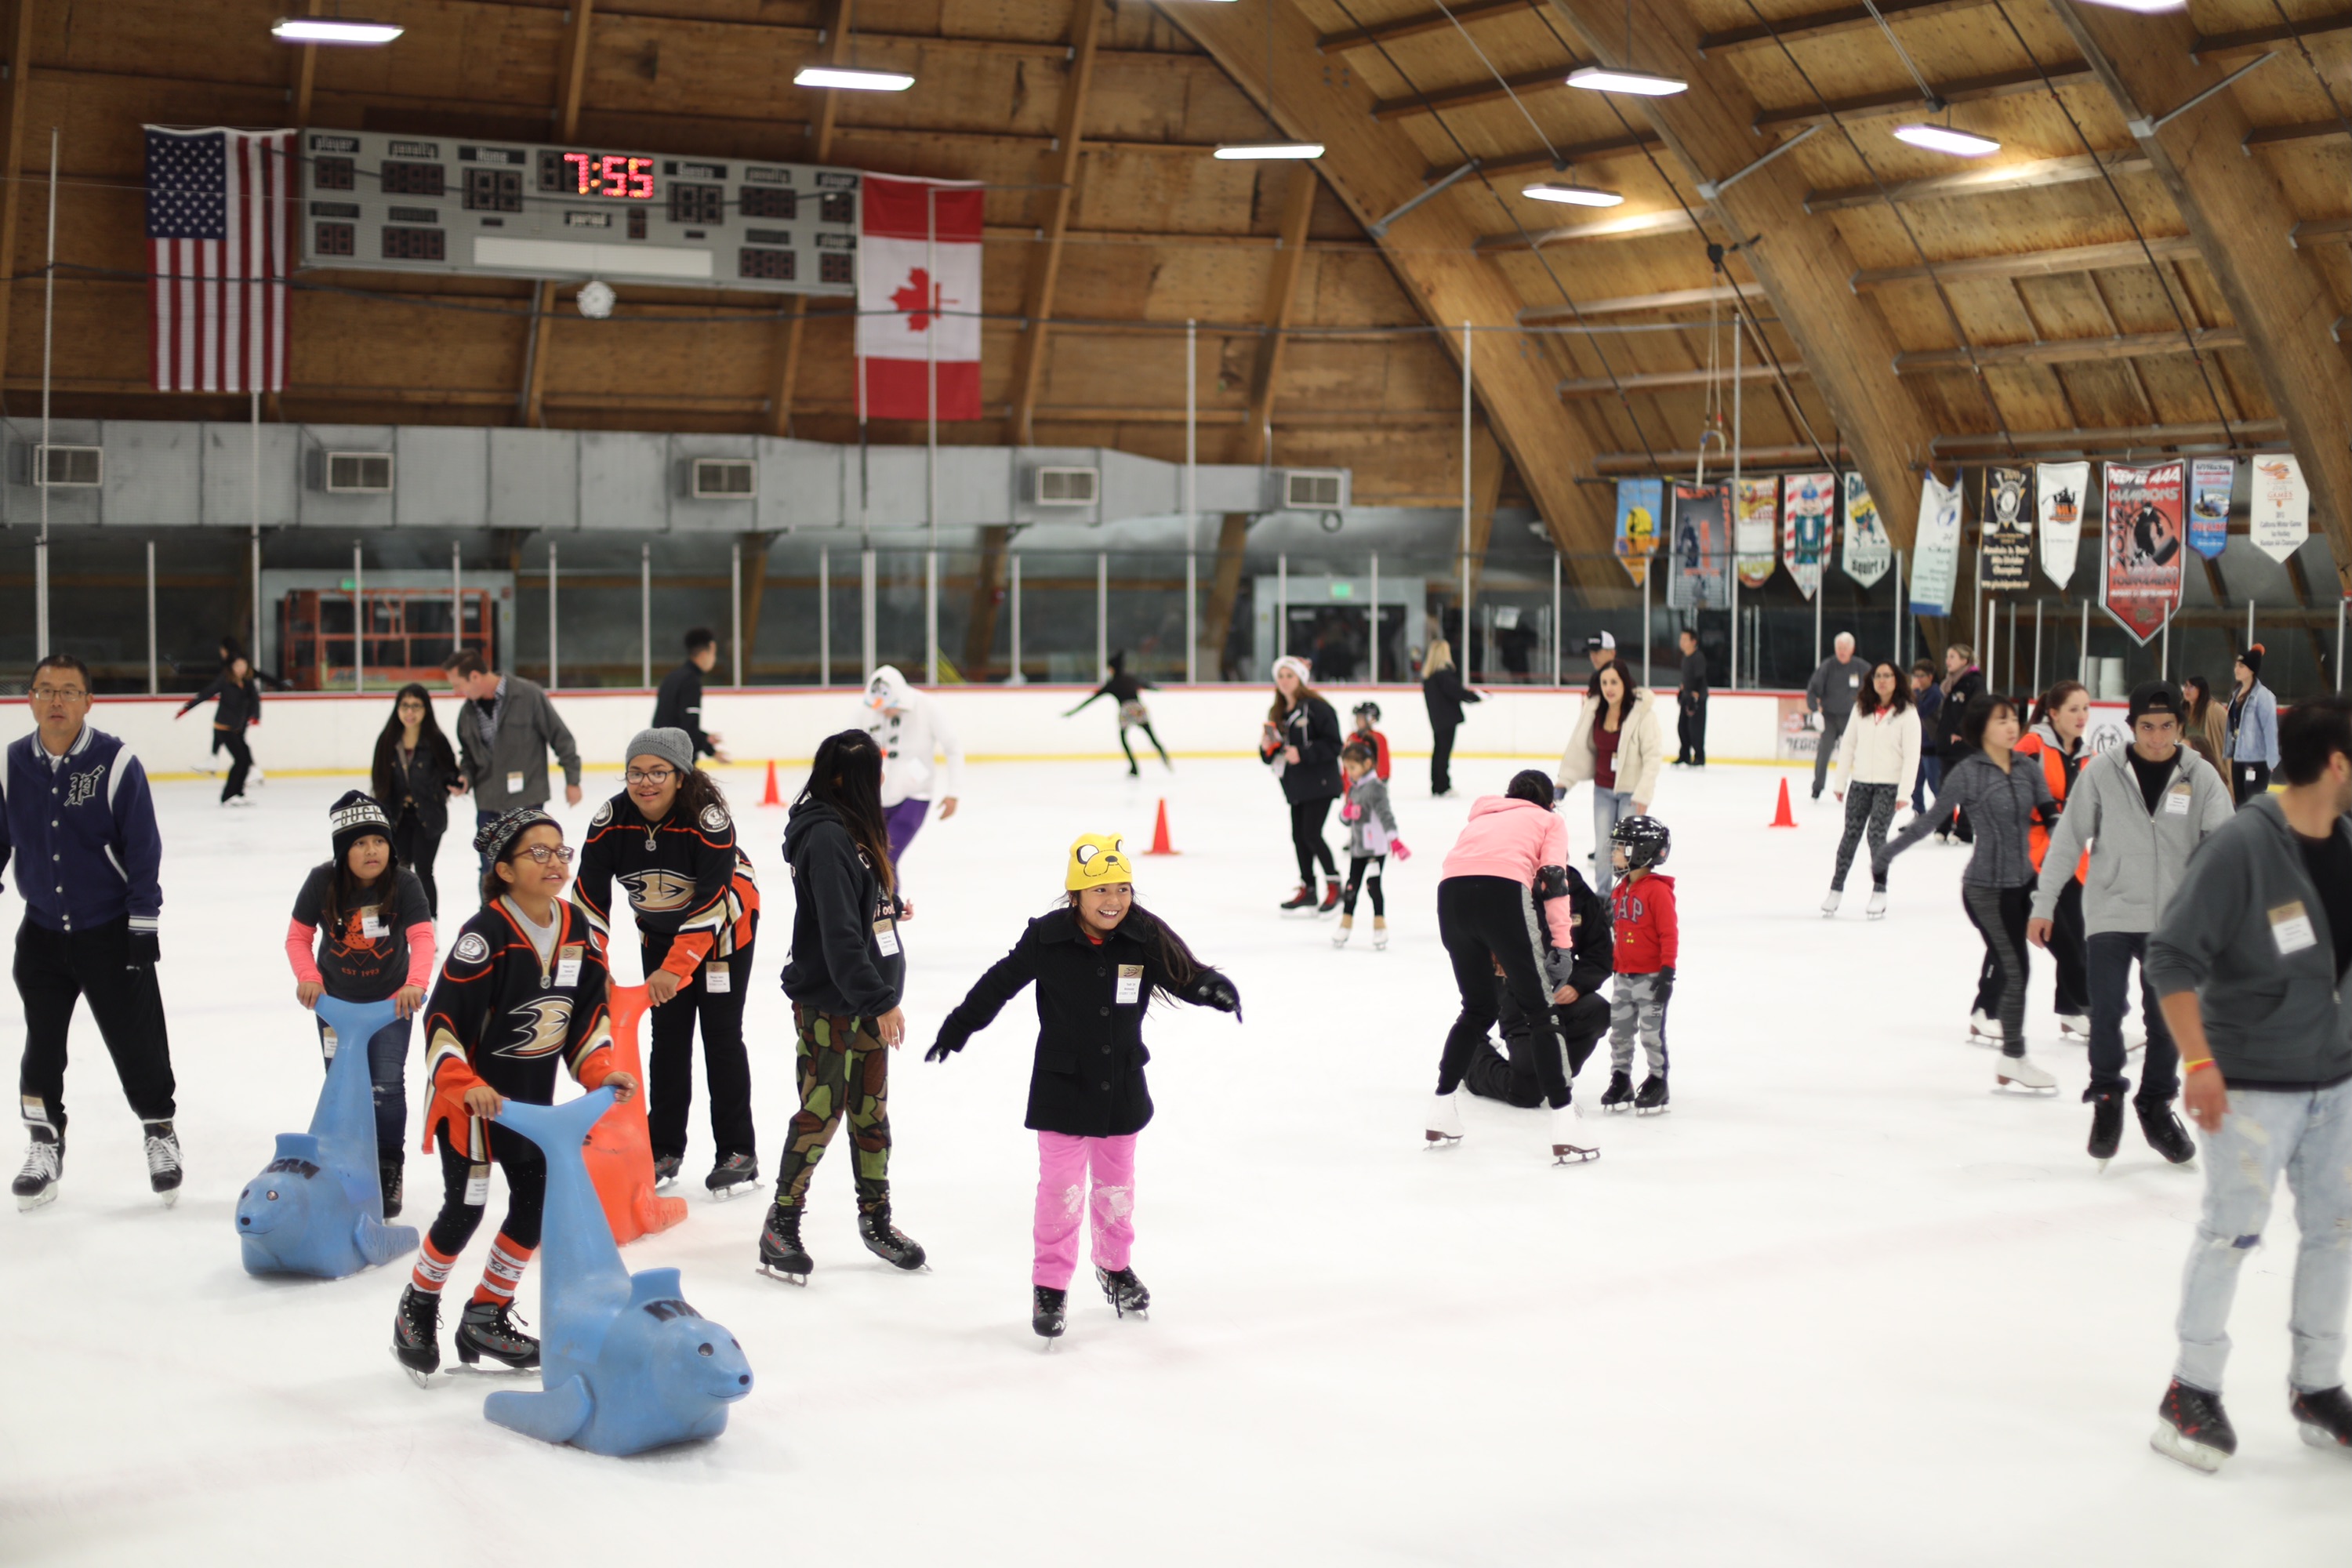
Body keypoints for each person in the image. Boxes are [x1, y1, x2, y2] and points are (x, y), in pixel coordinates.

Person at [2143, 698, 2352, 1471]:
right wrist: (2197, 1061)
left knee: (2337, 1231)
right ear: (2336, 762)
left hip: (2336, 1079)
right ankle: (2189, 1387)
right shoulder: (2241, 847)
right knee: (2232, 1231)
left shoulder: (2347, 844)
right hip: (2253, 1083)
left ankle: (2318, 1384)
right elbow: (2169, 956)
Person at [924, 833, 1240, 1339]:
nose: (1113, 902)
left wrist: (1211, 988)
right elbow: (1000, 983)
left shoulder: (1143, 935)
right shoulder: (1048, 939)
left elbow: (1184, 973)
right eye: (1100, 891)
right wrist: (959, 1027)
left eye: (1122, 889)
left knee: (1116, 1189)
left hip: (1121, 1086)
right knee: (1061, 1192)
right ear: (1076, 895)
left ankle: (1115, 1268)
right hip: (1062, 1088)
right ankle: (1050, 1287)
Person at [390, 808, 637, 1383]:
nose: (555, 863)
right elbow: (443, 1023)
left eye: (561, 851)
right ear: (503, 869)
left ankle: (487, 1311)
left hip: (531, 1106)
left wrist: (601, 1070)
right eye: (538, 853)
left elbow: (584, 1019)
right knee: (466, 1207)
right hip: (470, 1106)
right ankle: (418, 1305)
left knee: (534, 1205)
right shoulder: (486, 936)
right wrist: (465, 1085)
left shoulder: (577, 929)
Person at [2026, 682, 2230, 1169]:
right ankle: (2106, 1097)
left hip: (2175, 921)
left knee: (2166, 1023)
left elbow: (2226, 848)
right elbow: (2068, 838)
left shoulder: (2200, 777)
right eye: (2146, 727)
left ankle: (2155, 1102)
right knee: (2107, 1011)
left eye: (2166, 727)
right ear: (2130, 726)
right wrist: (2044, 902)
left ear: (2180, 728)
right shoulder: (2102, 774)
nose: (2156, 737)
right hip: (2113, 911)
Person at [2, 655, 179, 1210]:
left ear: (88, 701)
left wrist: (143, 922)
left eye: (68, 691)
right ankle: (43, 1142)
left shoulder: (116, 762)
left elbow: (143, 850)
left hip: (109, 933)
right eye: (46, 690)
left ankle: (159, 1131)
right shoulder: (11, 764)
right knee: (41, 1048)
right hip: (43, 936)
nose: (56, 701)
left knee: (137, 1042)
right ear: (29, 698)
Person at [757, 730, 926, 1283]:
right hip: (834, 1003)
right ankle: (781, 1221)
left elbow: (856, 902)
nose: (876, 786)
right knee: (821, 1111)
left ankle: (876, 1219)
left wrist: (887, 904)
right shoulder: (826, 835)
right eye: (867, 777)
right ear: (837, 779)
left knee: (870, 1114)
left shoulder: (851, 826)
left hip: (867, 999)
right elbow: (837, 933)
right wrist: (880, 999)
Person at [573, 728, 761, 1198]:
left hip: (722, 934)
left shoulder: (707, 819)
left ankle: (738, 1151)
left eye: (658, 772)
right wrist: (595, 965)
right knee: (669, 1038)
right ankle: (663, 1148)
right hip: (657, 932)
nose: (645, 783)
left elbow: (714, 901)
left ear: (681, 776)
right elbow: (588, 901)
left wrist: (676, 969)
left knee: (720, 1036)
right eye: (635, 772)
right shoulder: (611, 820)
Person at [1878, 695, 2059, 1088]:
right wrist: (1888, 853)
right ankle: (2014, 1056)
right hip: (1984, 890)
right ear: (1981, 728)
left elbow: (2052, 816)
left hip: (2024, 883)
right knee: (2015, 969)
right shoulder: (1968, 773)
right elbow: (1932, 820)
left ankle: (2016, 1049)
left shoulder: (2029, 768)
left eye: (2014, 719)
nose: (2012, 726)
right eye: (2001, 720)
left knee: (2020, 968)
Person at [1424, 769, 1599, 1165]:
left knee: (1477, 1008)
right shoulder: (1549, 820)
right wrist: (1563, 946)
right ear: (1550, 802)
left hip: (1450, 897)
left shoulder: (1483, 816)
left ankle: (1441, 1111)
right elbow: (1554, 881)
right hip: (1502, 894)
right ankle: (1566, 1123)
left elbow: (1469, 867)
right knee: (1542, 1011)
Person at [285, 792, 434, 1216]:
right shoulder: (321, 882)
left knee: (385, 1087)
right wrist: (309, 978)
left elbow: (422, 937)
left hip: (390, 1006)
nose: (372, 851)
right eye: (359, 843)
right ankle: (349, 1163)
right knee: (344, 1086)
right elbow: (298, 938)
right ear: (341, 851)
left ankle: (389, 1164)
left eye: (379, 841)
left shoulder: (405, 883)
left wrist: (415, 983)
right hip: (337, 1007)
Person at [1461, 856, 1613, 1111]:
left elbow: (1600, 951)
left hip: (1558, 997)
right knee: (1526, 1094)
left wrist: (1577, 985)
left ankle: (1551, 1076)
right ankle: (1472, 1060)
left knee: (1598, 1011)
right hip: (1518, 1001)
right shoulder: (1503, 885)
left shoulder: (1574, 886)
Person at [443, 650, 582, 869]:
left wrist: (572, 780)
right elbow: (469, 756)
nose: (456, 691)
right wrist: (465, 779)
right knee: (491, 871)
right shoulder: (467, 713)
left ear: (475, 677)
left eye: (458, 684)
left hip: (527, 801)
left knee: (530, 868)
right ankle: (492, 906)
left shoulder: (528, 696)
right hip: (488, 804)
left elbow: (561, 738)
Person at [2013, 681, 2094, 1039]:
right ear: (2054, 713)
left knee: (2079, 936)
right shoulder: (2033, 744)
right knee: (2061, 940)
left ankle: (2072, 1011)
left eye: (2086, 709)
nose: (2081, 717)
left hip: (2072, 858)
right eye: (2073, 709)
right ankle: (2091, 1009)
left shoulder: (2088, 755)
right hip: (2031, 855)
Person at [1821, 660, 1919, 920]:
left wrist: (1904, 793)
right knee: (1850, 837)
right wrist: (1840, 782)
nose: (1882, 681)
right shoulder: (1861, 708)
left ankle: (1879, 890)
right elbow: (1849, 746)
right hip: (1861, 783)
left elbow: (1912, 756)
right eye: (1878, 676)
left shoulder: (1907, 713)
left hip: (1889, 786)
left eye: (1887, 676)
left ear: (1896, 680)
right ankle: (1836, 889)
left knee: (1876, 836)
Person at [1555, 660, 1664, 891]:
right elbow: (1579, 748)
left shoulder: (1642, 714)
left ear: (1625, 683)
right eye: (1604, 683)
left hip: (1632, 793)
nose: (1609, 688)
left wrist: (1644, 794)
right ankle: (1604, 898)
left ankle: (1627, 895)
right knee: (1604, 848)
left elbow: (1653, 757)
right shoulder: (1595, 710)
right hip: (1603, 789)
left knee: (1626, 850)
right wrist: (1565, 780)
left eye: (1614, 682)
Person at [1600, 816, 1677, 1114]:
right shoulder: (1621, 890)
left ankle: (1658, 1080)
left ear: (1641, 853)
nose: (1614, 854)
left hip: (1651, 978)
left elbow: (1669, 933)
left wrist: (1667, 973)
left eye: (1620, 848)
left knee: (1650, 1033)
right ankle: (1621, 1078)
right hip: (1624, 978)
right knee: (1619, 1031)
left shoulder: (1657, 891)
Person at [1260, 655, 1345, 914]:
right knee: (1299, 836)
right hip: (1296, 784)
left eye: (1290, 676)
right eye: (1281, 676)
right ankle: (1308, 889)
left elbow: (1334, 745)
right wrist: (1266, 750)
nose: (1284, 681)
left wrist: (1304, 753)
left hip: (1320, 782)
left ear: (1301, 679)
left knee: (1311, 834)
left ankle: (1334, 885)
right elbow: (1271, 753)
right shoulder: (1278, 712)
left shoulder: (1318, 708)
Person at [372, 683, 463, 920]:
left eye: (416, 706)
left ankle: (429, 926)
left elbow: (448, 773)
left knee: (424, 871)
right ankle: (400, 923)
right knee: (399, 871)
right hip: (397, 817)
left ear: (426, 709)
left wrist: (449, 785)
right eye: (404, 706)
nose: (410, 712)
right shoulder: (387, 740)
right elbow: (379, 780)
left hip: (429, 817)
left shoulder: (436, 741)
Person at [859, 665, 963, 869]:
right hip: (875, 798)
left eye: (890, 706)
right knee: (870, 861)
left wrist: (954, 792)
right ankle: (880, 902)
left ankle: (888, 902)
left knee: (886, 858)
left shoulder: (927, 706)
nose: (885, 712)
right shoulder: (868, 711)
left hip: (915, 796)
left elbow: (953, 748)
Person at [1334, 742, 1410, 950]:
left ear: (1367, 764)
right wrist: (1346, 814)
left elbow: (1386, 815)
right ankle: (1345, 923)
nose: (1349, 773)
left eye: (1353, 768)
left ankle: (1379, 924)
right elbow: (1346, 816)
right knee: (1352, 886)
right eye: (1347, 768)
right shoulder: (1354, 787)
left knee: (1373, 885)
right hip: (1358, 848)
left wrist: (1394, 839)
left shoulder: (1376, 788)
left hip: (1375, 848)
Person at [1065, 652, 1172, 778]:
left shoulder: (1112, 684)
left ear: (1112, 669)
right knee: (1151, 735)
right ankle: (1162, 753)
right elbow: (1147, 685)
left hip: (1126, 710)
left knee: (1123, 738)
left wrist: (1073, 712)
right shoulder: (1130, 678)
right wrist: (1160, 689)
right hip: (1138, 708)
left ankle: (1134, 767)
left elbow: (1092, 699)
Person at [176, 652, 263, 807]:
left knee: (244, 759)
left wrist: (256, 716)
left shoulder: (248, 682)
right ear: (232, 667)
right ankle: (228, 796)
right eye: (238, 665)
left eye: (243, 665)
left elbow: (255, 699)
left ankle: (238, 794)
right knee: (241, 759)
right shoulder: (225, 680)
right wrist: (188, 707)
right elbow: (207, 693)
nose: (241, 668)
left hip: (237, 727)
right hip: (223, 727)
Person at [1804, 633, 1869, 800]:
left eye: (1845, 648)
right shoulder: (1827, 666)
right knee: (1824, 753)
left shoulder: (1862, 668)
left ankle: (1863, 787)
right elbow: (1812, 690)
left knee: (1861, 753)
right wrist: (1815, 711)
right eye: (1839, 648)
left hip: (1852, 718)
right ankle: (1817, 787)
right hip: (1830, 718)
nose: (1842, 651)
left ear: (1852, 649)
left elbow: (1875, 687)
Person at [1933, 645, 1986, 843]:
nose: (1948, 660)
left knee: (1966, 787)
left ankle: (1964, 829)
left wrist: (1961, 731)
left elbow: (1978, 709)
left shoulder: (1974, 682)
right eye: (1947, 656)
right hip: (1948, 745)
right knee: (1946, 786)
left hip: (1967, 745)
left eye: (1952, 657)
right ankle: (1943, 826)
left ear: (1965, 661)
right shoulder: (1953, 682)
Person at [652, 628, 728, 764]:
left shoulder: (672, 677)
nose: (714, 660)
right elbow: (688, 728)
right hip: (678, 760)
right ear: (707, 652)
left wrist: (704, 738)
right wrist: (711, 750)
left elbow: (669, 721)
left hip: (662, 754)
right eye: (714, 654)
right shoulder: (691, 682)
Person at [1420, 638, 1479, 798]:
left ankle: (1437, 785)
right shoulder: (1443, 675)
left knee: (1439, 751)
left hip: (1437, 719)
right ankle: (1442, 786)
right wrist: (1475, 697)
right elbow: (1457, 692)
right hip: (1447, 719)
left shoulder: (1429, 677)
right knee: (1443, 753)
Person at [2226, 644, 2279, 806]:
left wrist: (2272, 760)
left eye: (2241, 666)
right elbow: (2231, 727)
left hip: (2256, 759)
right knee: (2240, 804)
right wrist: (2228, 754)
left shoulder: (2263, 696)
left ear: (2251, 670)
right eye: (2236, 665)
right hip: (2238, 758)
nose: (2237, 669)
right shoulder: (2236, 695)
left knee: (2253, 804)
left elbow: (2270, 728)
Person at [1909, 660, 1945, 814]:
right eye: (1915, 676)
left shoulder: (1935, 694)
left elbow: (1920, 711)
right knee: (1914, 785)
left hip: (1932, 746)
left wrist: (1914, 692)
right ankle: (1919, 813)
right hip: (1919, 746)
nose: (1917, 679)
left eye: (1921, 676)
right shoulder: (1922, 693)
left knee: (1935, 785)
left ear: (1930, 677)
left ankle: (1947, 818)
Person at [1674, 629, 1708, 768]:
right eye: (1681, 639)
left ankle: (1699, 756)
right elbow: (1687, 678)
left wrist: (1695, 695)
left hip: (1696, 698)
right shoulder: (1685, 658)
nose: (1681, 642)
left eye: (1685, 639)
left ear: (1694, 642)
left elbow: (1700, 678)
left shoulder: (1698, 657)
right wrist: (1682, 690)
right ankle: (1685, 755)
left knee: (1696, 729)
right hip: (1687, 696)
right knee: (1682, 727)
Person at [2182, 674, 2227, 772]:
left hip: (2211, 763)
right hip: (2190, 762)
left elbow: (2229, 732)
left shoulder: (2214, 709)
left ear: (2201, 690)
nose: (2186, 690)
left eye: (2191, 687)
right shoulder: (2182, 710)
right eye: (2185, 686)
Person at [1348, 701, 1392, 782]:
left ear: (1371, 719)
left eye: (1361, 718)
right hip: (1354, 788)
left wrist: (1380, 783)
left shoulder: (1378, 738)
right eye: (1357, 717)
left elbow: (1383, 765)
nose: (1357, 721)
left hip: (1372, 787)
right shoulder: (1352, 737)